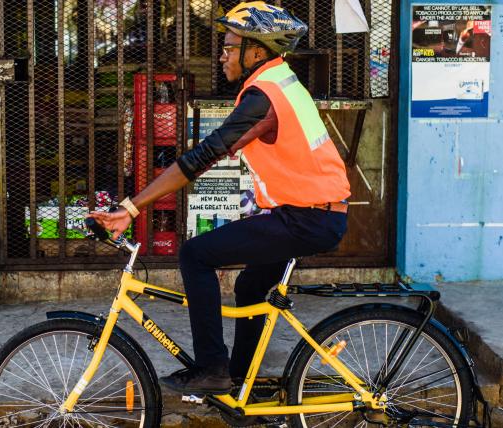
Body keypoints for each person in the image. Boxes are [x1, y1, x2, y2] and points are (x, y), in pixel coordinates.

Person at [88, 1, 351, 395]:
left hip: (307, 218)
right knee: (249, 288)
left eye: (229, 47)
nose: (221, 54)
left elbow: (201, 157)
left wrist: (130, 208)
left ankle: (212, 368)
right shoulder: (277, 81)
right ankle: (241, 385)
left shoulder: (264, 97)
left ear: (256, 52)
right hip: (310, 214)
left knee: (195, 255)